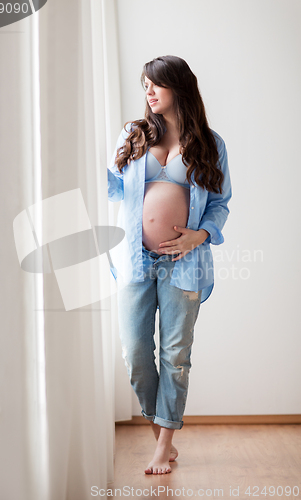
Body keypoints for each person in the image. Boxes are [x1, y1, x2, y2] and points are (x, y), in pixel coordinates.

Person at [107, 55, 232, 475]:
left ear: (178, 86)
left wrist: (200, 235)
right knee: (136, 354)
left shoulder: (211, 144)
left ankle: (164, 444)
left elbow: (220, 204)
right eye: (144, 85)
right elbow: (110, 186)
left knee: (176, 356)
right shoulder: (135, 134)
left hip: (185, 262)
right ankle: (160, 424)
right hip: (135, 261)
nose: (148, 92)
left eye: (155, 84)